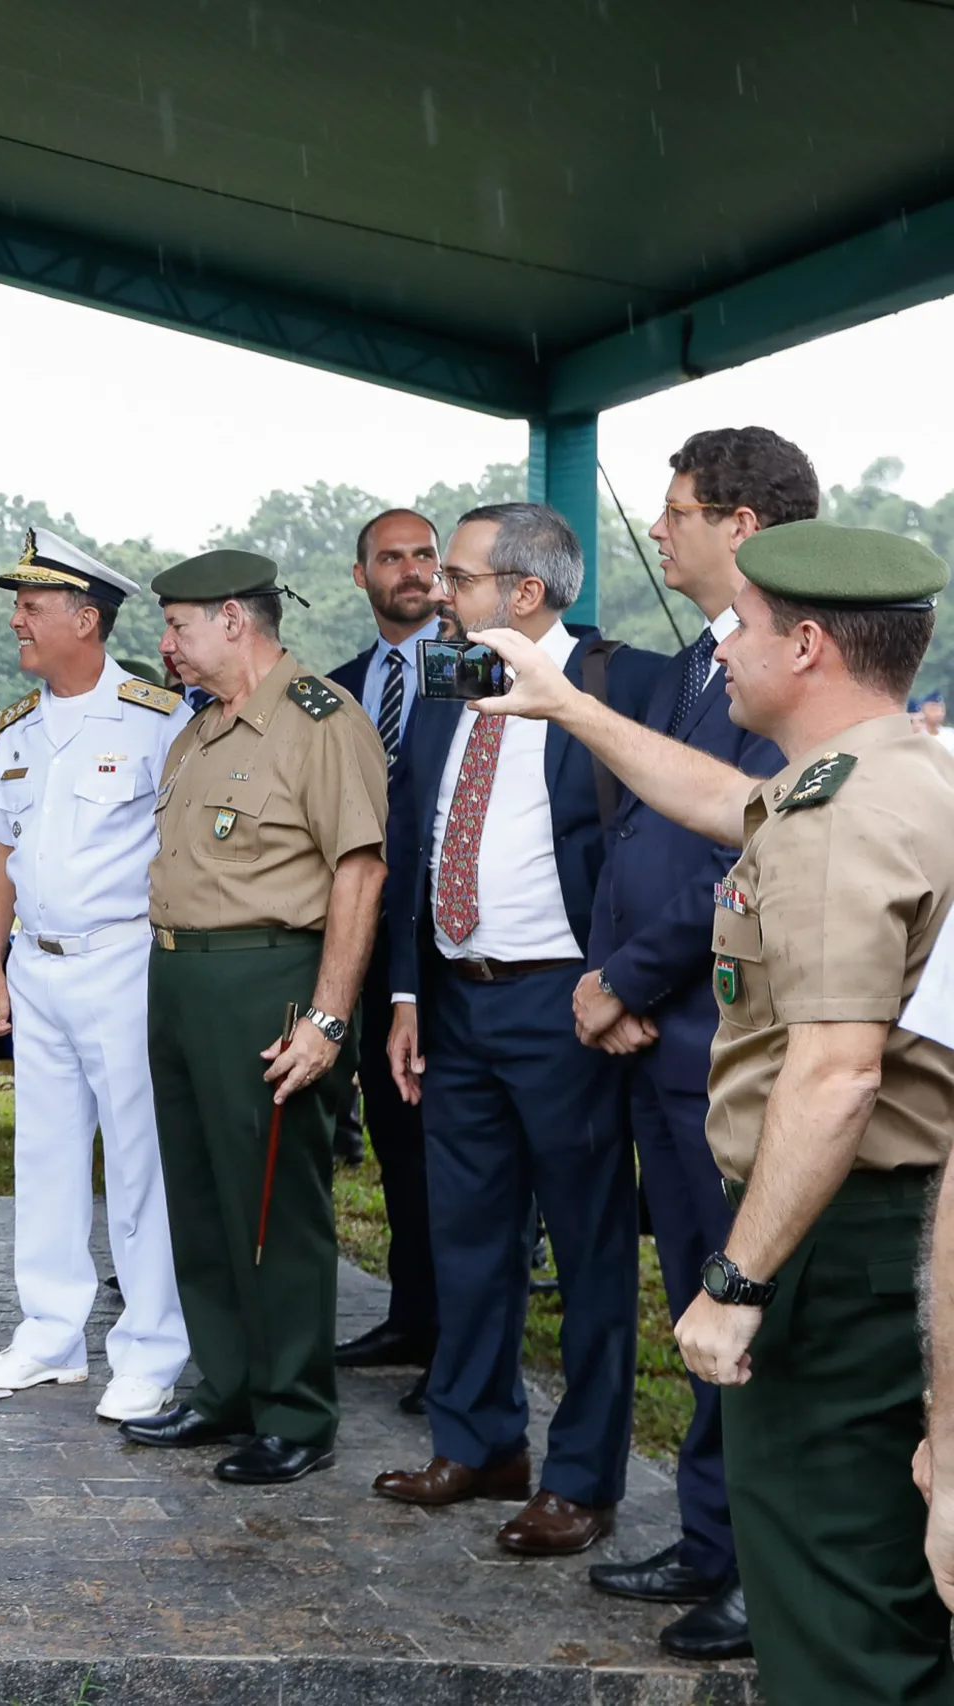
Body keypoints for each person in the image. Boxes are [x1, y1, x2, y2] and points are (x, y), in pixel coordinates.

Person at [471, 520, 954, 1706]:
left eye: (739, 623)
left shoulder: (845, 815)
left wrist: (736, 1282)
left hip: (835, 1246)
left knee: (831, 1594)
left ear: (805, 645)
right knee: (877, 1573)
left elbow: (836, 1073)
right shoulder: (882, 773)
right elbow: (729, 801)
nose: (720, 645)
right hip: (874, 1230)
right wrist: (570, 705)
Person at [371, 504, 661, 1556]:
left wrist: (623, 981)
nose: (439, 590)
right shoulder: (458, 679)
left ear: (524, 591)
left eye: (457, 573)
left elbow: (663, 842)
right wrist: (406, 992)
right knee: (467, 1235)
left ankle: (581, 1477)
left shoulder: (624, 683)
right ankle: (480, 1441)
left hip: (567, 1005)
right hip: (455, 999)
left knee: (586, 1247)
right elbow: (412, 838)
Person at [577, 430, 807, 1659]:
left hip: (722, 1037)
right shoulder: (684, 670)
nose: (658, 535)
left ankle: (764, 1573)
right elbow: (642, 838)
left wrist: (625, 974)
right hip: (656, 1038)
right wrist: (614, 980)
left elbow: (743, 852)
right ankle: (708, 1537)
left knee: (744, 1301)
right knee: (692, 1298)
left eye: (676, 514)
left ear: (743, 526)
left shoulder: (789, 672)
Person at [121, 549, 387, 1486]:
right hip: (182, 979)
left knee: (275, 1209)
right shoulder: (199, 732)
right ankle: (227, 1387)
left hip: (267, 981)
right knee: (200, 1201)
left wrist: (327, 1019)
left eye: (180, 627)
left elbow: (359, 871)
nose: (167, 646)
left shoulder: (320, 722)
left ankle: (295, 1413)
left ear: (235, 620)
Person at [0, 530, 189, 1422]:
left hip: (123, 962)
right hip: (38, 967)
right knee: (45, 1155)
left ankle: (149, 1349)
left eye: (33, 605)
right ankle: (51, 1335)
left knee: (140, 1163)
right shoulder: (17, 726)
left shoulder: (157, 719)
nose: (18, 619)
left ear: (86, 619)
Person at [326, 509, 440, 1406]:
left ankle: (458, 1341)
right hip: (363, 943)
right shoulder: (337, 689)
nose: (410, 570)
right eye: (391, 557)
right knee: (396, 1141)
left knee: (452, 1148)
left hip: (452, 947)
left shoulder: (479, 670)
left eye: (424, 556)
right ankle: (411, 1313)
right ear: (360, 576)